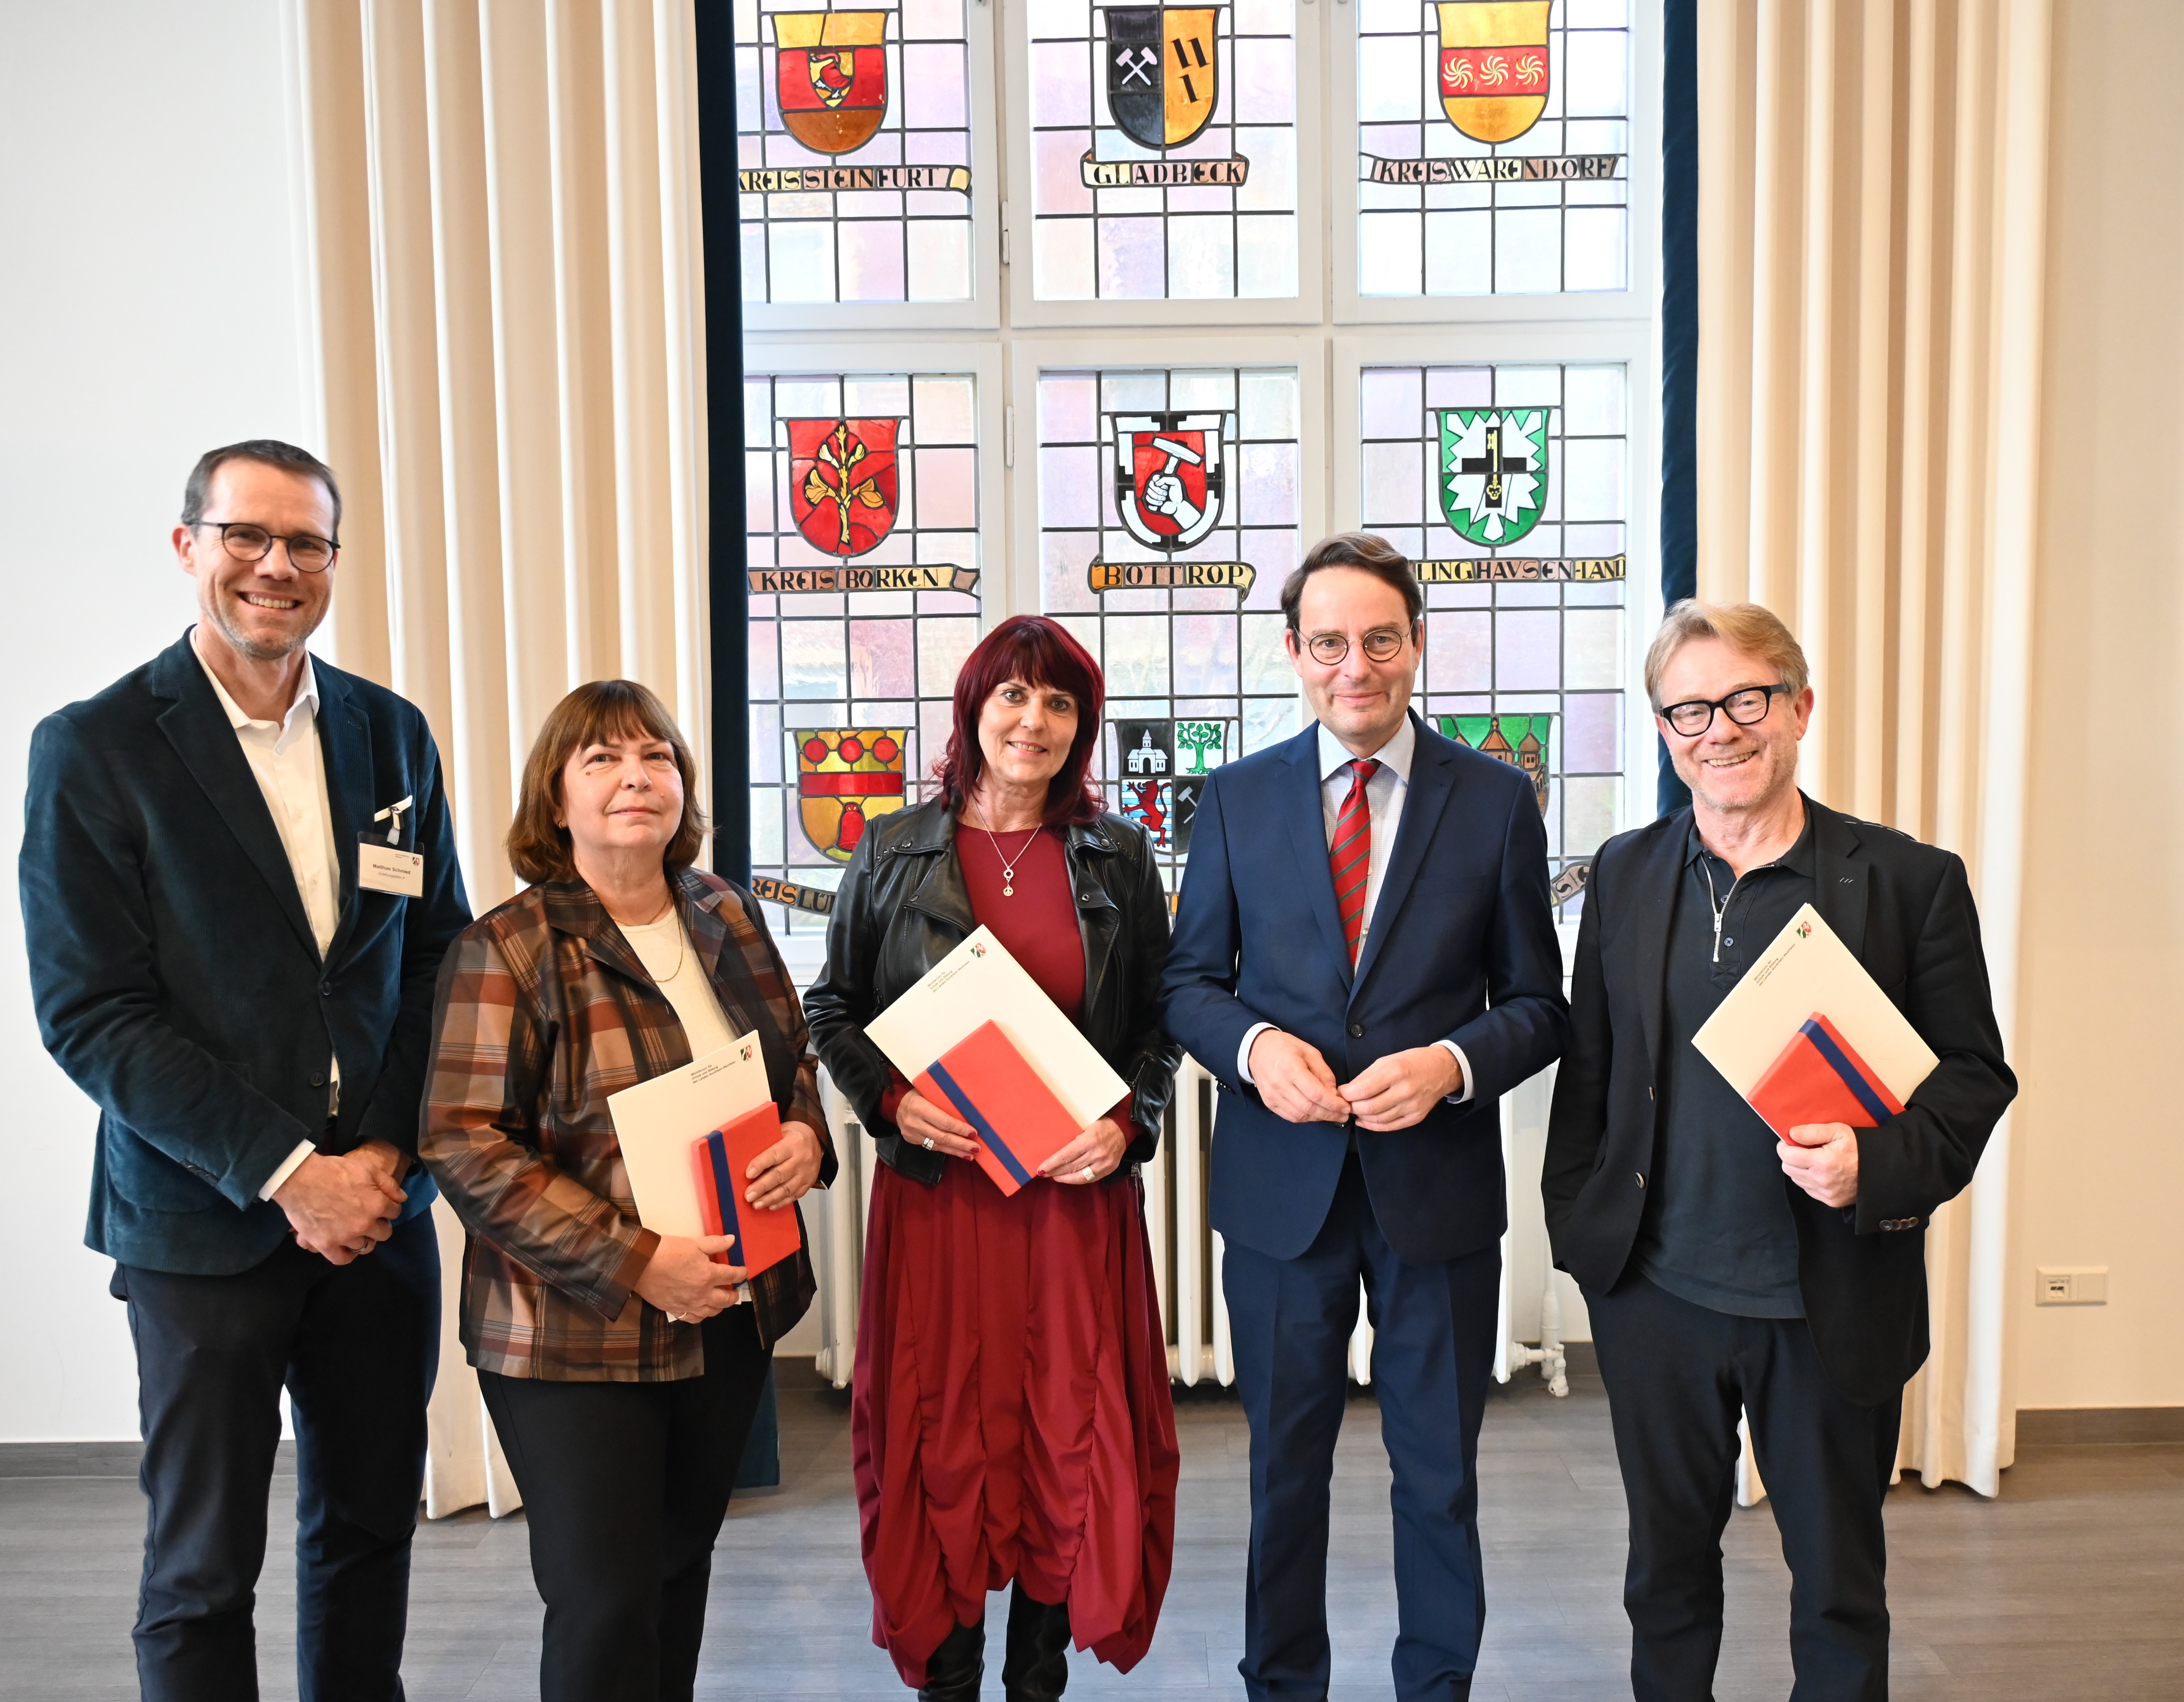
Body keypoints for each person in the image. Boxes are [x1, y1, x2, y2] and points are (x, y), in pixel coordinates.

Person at [19, 440, 472, 1700]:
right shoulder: (96, 748)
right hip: (200, 1228)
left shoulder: (390, 736)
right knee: (202, 1570)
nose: (276, 567)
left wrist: (381, 1158)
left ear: (333, 562)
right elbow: (94, 1015)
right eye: (246, 537)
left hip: (381, 1222)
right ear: (189, 547)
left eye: (306, 543)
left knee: (369, 1530)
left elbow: (436, 960)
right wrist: (287, 1174)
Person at [1542, 601, 2017, 1701]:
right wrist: (1582, 1231)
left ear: (1798, 707)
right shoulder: (1620, 875)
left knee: (1837, 1590)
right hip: (1655, 1297)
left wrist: (1873, 1165)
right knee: (1662, 1579)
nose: (1718, 730)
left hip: (1828, 1299)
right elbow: (1593, 1072)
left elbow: (1969, 1079)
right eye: (1688, 710)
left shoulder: (1904, 884)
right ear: (1663, 731)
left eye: (1744, 700)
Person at [1162, 533, 1569, 1702]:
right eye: (1329, 642)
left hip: (1432, 1193)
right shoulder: (1234, 801)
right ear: (1293, 654)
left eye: (1379, 640)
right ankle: (1281, 1686)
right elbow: (1187, 985)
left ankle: (1434, 1687)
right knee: (1283, 1473)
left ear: (1416, 647)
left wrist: (1449, 1063)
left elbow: (1538, 1006)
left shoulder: (1492, 802)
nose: (1356, 666)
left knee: (1436, 1474)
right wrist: (1250, 1048)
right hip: (1279, 1193)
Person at [420, 679, 832, 1702]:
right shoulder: (508, 946)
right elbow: (464, 1143)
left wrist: (805, 1136)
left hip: (726, 1313)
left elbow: (794, 1064)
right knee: (604, 1604)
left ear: (682, 789)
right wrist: (638, 1258)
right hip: (572, 1336)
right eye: (600, 759)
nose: (634, 777)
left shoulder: (725, 911)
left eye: (655, 756)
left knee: (678, 1572)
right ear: (555, 799)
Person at [804, 615, 1182, 1702]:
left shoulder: (1119, 853)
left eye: (1060, 702)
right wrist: (889, 1099)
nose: (1035, 720)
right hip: (943, 1204)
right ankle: (950, 1678)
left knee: (1070, 1429)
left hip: (1073, 1202)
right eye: (1013, 696)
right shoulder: (893, 846)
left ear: (1082, 726)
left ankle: (1038, 1676)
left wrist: (1127, 1125)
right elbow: (834, 1005)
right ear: (974, 710)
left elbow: (1159, 1022)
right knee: (943, 1434)